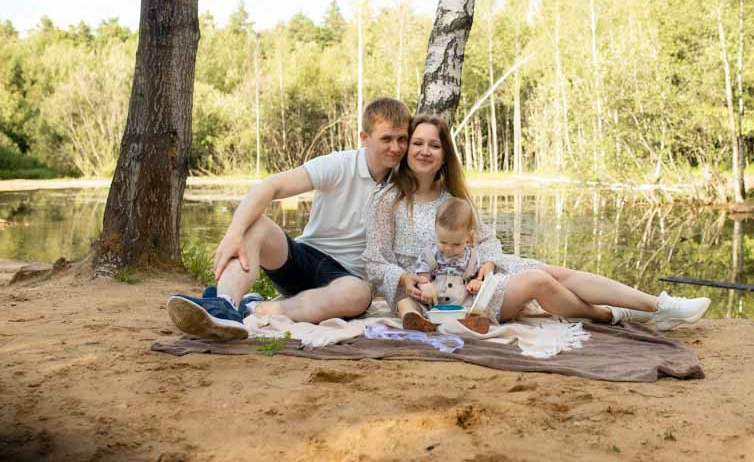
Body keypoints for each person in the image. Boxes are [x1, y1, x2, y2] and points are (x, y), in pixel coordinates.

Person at [363, 114, 711, 331]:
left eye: (434, 145)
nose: (425, 151)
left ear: (444, 156)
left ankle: (659, 305)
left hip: (480, 277)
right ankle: (610, 315)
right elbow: (375, 262)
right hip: (438, 292)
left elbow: (485, 241)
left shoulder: (454, 197)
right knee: (538, 281)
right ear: (408, 152)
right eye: (418, 143)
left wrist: (487, 264)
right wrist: (404, 278)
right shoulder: (388, 200)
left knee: (555, 271)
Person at [167, 97, 411, 341]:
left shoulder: (405, 182)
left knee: (358, 294)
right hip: (303, 259)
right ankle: (224, 305)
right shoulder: (339, 164)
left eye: (402, 139)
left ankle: (254, 308)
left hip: (345, 278)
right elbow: (270, 187)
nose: (396, 147)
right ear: (364, 138)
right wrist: (234, 234)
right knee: (257, 225)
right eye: (386, 138)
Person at [397, 197, 493, 334]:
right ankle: (416, 319)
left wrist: (476, 283)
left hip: (461, 305)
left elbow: (478, 277)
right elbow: (422, 277)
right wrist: (426, 287)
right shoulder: (430, 254)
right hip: (432, 305)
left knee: (480, 308)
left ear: (469, 237)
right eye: (442, 242)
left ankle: (472, 323)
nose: (448, 248)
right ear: (436, 232)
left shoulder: (472, 258)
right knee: (404, 302)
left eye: (456, 244)